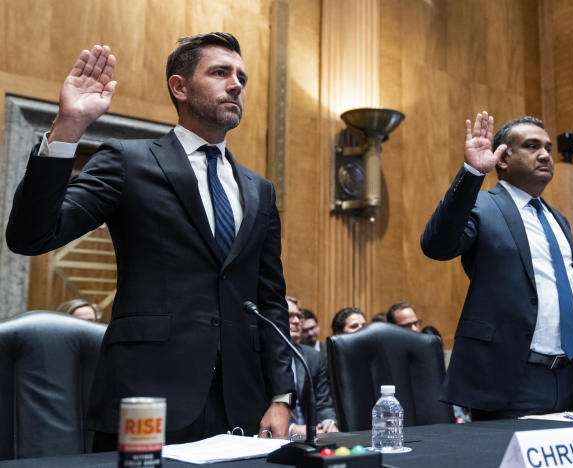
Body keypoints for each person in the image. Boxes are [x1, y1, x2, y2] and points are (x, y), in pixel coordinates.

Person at [5, 34, 294, 446]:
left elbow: (270, 301)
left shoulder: (258, 189)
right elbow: (31, 236)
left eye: (241, 77)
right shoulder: (129, 160)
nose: (236, 85)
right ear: (179, 87)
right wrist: (69, 127)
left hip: (241, 403)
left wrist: (281, 397)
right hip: (148, 398)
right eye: (219, 72)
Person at [421, 111, 573, 419]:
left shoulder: (558, 220)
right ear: (503, 158)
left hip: (569, 376)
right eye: (532, 146)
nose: (545, 155)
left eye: (547, 147)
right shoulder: (481, 206)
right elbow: (437, 245)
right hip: (509, 379)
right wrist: (471, 173)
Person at [287, 300, 339, 436]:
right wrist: (291, 428)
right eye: (290, 316)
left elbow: (323, 403)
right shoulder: (259, 356)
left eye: (299, 316)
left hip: (312, 436)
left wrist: (328, 422)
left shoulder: (313, 357)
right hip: (273, 437)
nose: (297, 321)